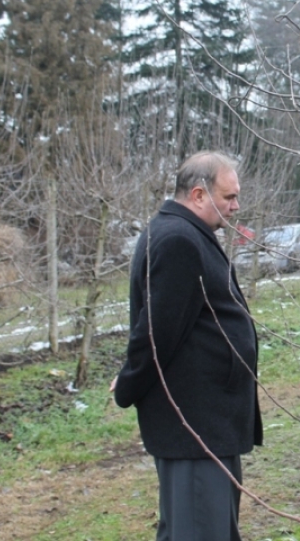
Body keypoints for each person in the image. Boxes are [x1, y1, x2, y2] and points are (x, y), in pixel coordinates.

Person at [112, 152, 262, 541]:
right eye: (229, 197)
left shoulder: (186, 233)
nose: (236, 205)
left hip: (208, 423)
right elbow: (156, 333)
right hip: (194, 426)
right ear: (198, 195)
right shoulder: (179, 239)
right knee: (199, 531)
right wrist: (129, 383)